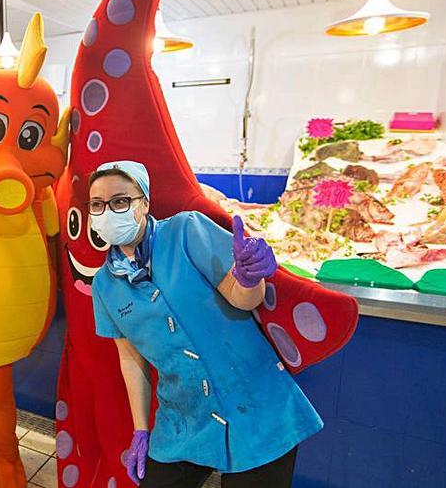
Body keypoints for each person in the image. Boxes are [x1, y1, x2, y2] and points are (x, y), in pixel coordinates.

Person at [87, 161, 323, 488]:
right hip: (183, 417)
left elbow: (243, 298)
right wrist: (141, 429)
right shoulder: (104, 285)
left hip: (256, 404)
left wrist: (250, 276)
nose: (107, 211)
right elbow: (130, 358)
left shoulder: (187, 231)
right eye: (97, 205)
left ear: (144, 203)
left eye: (120, 201)